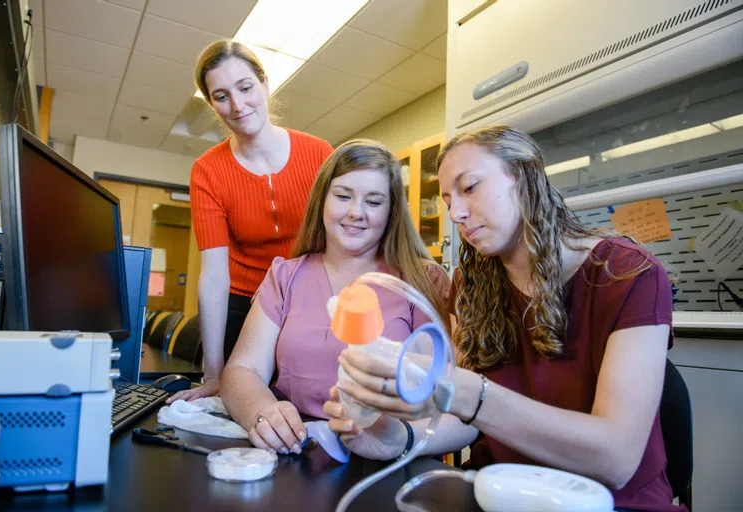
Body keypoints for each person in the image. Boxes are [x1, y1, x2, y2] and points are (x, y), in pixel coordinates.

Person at [325, 126, 683, 512]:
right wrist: (398, 438)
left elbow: (616, 458)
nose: (456, 213)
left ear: (524, 176)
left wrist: (467, 392)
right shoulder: (472, 282)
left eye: (470, 187)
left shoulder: (628, 275)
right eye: (448, 200)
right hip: (496, 495)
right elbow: (468, 422)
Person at [219, 140, 450, 455]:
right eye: (343, 196)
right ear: (322, 201)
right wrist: (262, 412)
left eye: (374, 201)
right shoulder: (285, 277)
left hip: (388, 455)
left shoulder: (421, 280)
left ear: (392, 210)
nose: (356, 213)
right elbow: (243, 369)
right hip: (297, 448)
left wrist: (395, 435)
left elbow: (445, 391)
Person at [168, 40, 333, 403]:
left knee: (303, 408)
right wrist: (213, 373)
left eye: (245, 88)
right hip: (244, 305)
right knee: (240, 406)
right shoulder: (208, 171)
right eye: (221, 96)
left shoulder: (319, 153)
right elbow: (213, 273)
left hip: (309, 301)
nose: (238, 106)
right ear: (211, 104)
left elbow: (338, 242)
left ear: (265, 84)